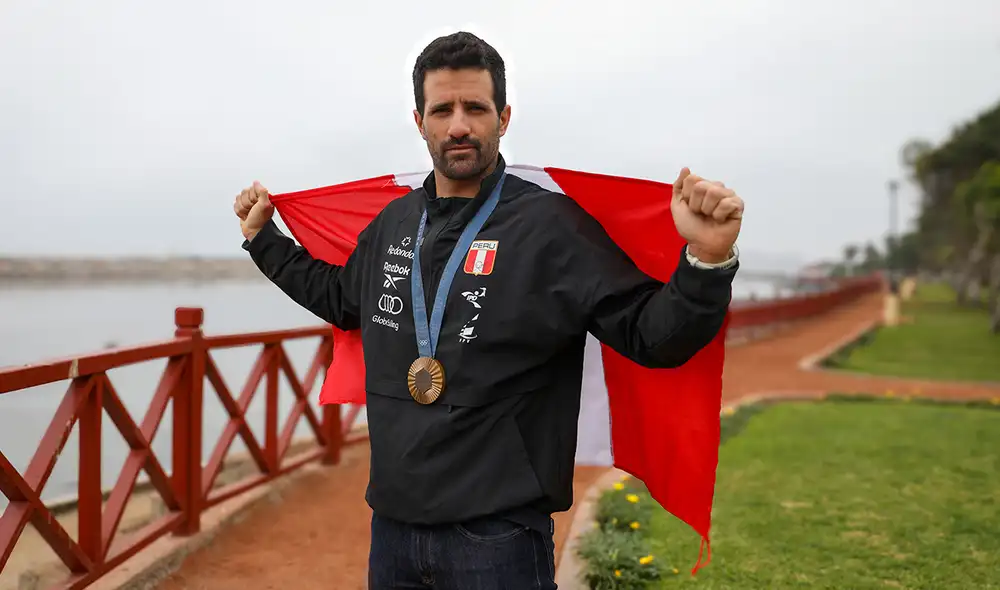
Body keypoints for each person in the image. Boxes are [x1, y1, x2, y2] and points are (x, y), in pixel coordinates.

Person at [234, 31, 743, 590]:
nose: (458, 125)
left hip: (497, 538)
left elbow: (651, 335)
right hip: (393, 531)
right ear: (419, 120)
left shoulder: (551, 227)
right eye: (442, 109)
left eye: (475, 108)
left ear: (503, 116)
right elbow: (338, 298)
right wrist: (264, 239)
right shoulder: (396, 223)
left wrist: (705, 260)